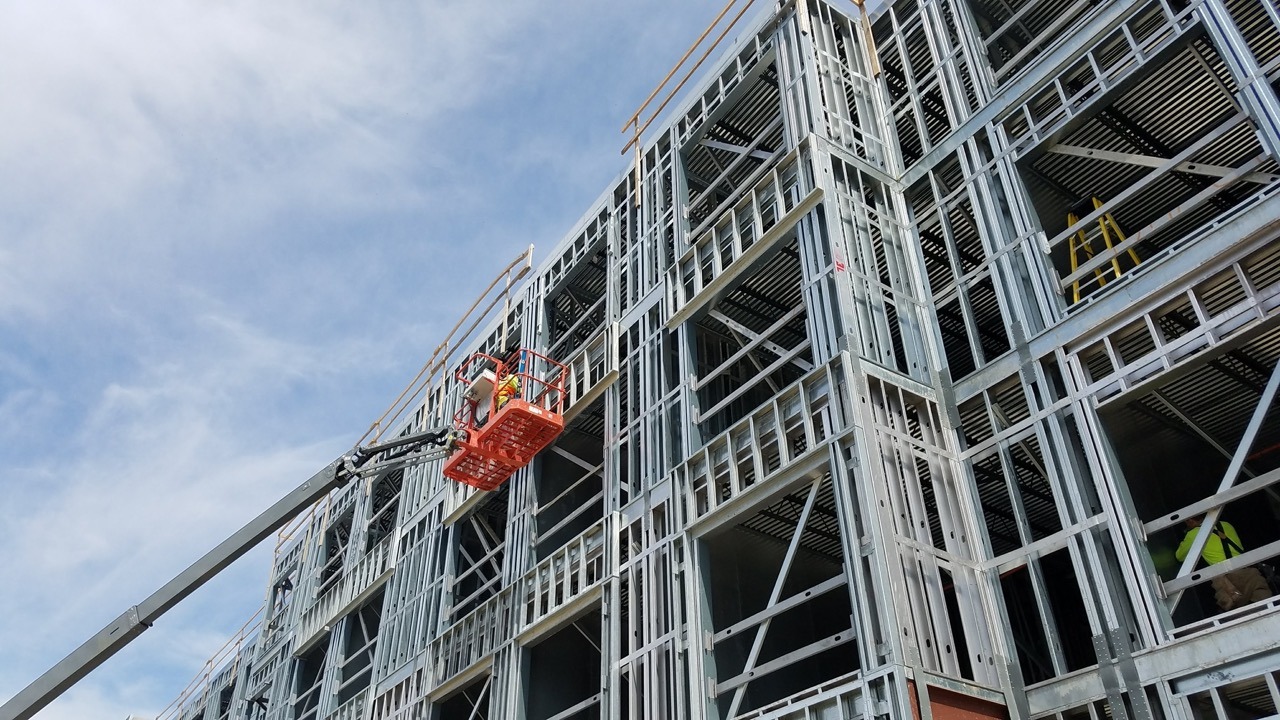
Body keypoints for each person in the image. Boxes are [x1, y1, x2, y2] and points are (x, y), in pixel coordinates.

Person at [1175, 516, 1272, 611]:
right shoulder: (1226, 525)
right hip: (1249, 572)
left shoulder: (1193, 534)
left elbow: (1179, 556)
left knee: (1233, 616)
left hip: (1226, 579)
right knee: (1269, 607)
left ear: (1190, 520)